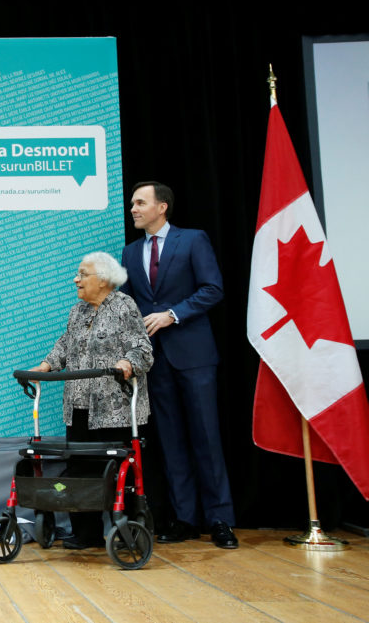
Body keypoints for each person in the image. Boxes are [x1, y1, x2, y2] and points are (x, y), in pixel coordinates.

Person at [120, 181, 238, 549]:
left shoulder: (193, 240)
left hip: (195, 357)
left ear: (162, 207)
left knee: (206, 437)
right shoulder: (129, 251)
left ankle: (220, 520)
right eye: (132, 204)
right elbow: (129, 304)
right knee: (170, 442)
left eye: (141, 203)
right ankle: (185, 518)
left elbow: (213, 288)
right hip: (155, 361)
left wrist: (173, 314)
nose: (134, 209)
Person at [28, 252, 152, 549]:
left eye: (82, 274)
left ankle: (127, 532)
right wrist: (46, 365)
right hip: (80, 408)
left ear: (104, 279)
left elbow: (143, 348)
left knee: (113, 473)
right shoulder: (78, 311)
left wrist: (127, 362)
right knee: (81, 472)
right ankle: (86, 534)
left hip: (114, 410)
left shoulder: (124, 306)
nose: (76, 279)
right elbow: (65, 344)